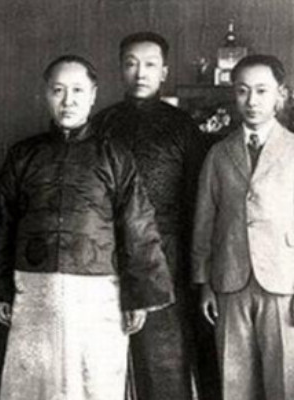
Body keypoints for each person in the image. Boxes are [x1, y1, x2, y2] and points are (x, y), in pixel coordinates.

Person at [0, 55, 174, 400]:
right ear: (45, 94)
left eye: (77, 90)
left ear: (93, 95)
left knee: (94, 380)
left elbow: (137, 225)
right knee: (34, 382)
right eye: (58, 90)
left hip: (99, 292)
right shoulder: (23, 155)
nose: (68, 100)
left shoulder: (115, 156)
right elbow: (2, 222)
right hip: (35, 289)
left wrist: (138, 297)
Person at [91, 31, 217, 400]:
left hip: (167, 254)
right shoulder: (100, 124)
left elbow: (197, 201)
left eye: (149, 64)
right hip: (106, 250)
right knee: (104, 350)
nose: (140, 73)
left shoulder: (183, 127)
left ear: (164, 72)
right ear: (120, 70)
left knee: (164, 354)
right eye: (131, 64)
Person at [192, 54, 294, 400]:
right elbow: (204, 222)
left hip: (283, 283)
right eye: (242, 91)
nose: (252, 101)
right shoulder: (219, 154)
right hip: (230, 281)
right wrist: (205, 284)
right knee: (233, 382)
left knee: (285, 381)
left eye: (262, 91)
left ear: (280, 94)